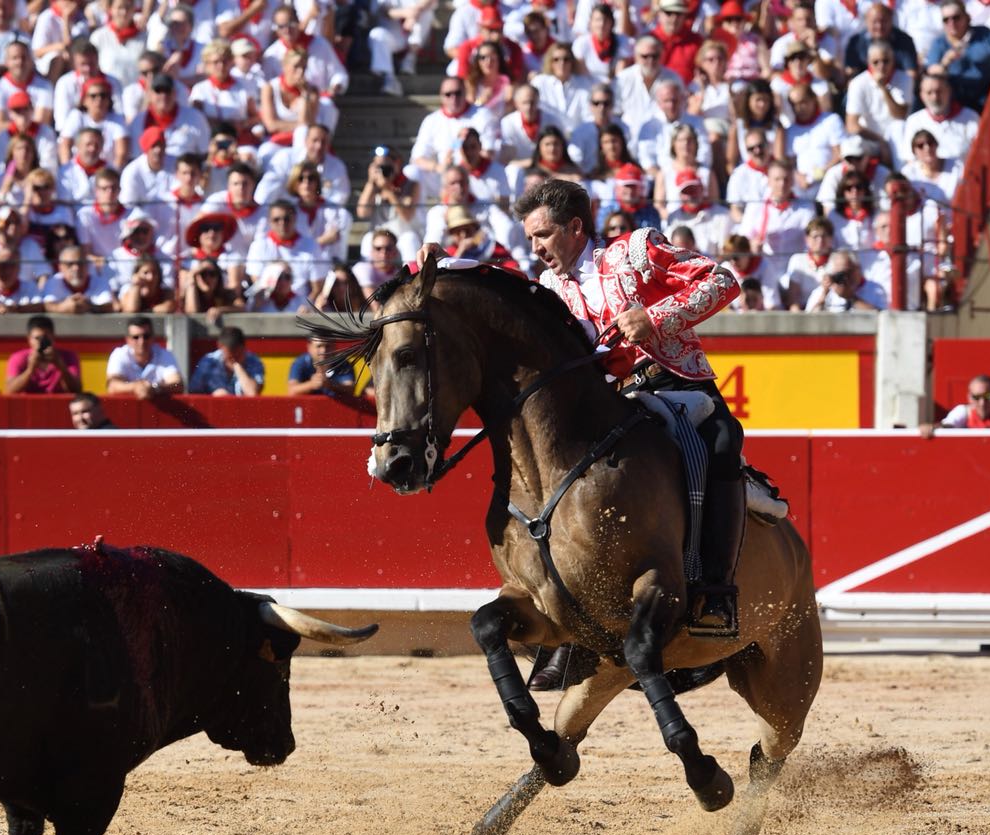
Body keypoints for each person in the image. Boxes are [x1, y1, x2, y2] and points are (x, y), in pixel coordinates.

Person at [425, 178, 744, 677]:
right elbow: (494, 284)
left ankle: (715, 592)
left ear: (576, 227)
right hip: (609, 405)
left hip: (673, 385)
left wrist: (656, 317)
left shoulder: (636, 251)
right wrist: (442, 264)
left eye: (544, 235)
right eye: (530, 238)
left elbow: (722, 280)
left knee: (721, 443)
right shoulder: (548, 292)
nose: (536, 248)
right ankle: (566, 628)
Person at [106, 315, 182, 399]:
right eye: (136, 337)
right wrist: (135, 387)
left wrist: (155, 388)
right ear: (128, 340)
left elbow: (177, 384)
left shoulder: (164, 354)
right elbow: (112, 385)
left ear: (153, 337)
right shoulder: (119, 354)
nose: (141, 341)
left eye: (146, 336)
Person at [5, 316, 83, 395]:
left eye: (46, 337)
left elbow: (76, 390)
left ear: (53, 336)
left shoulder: (68, 356)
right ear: (29, 339)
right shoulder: (18, 358)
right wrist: (30, 369)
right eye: (37, 338)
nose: (41, 342)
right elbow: (10, 390)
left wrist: (60, 365)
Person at [190, 326, 265, 396]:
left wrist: (238, 368)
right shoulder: (208, 361)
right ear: (220, 346)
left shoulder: (254, 361)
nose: (233, 360)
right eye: (230, 357)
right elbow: (193, 392)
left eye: (237, 356)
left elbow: (252, 393)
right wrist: (213, 398)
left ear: (243, 347)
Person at [288, 335, 359, 397]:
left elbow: (351, 390)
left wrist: (330, 385)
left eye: (327, 346)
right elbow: (292, 390)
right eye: (319, 346)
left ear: (334, 347)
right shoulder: (301, 363)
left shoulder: (343, 364)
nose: (323, 350)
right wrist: (311, 385)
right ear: (309, 347)